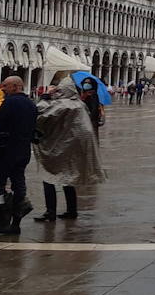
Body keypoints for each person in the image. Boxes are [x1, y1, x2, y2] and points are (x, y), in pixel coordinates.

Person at [33, 79, 106, 222]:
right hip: (73, 147)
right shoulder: (79, 104)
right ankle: (71, 210)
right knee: (69, 178)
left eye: (60, 90)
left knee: (48, 177)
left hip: (60, 147)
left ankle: (50, 212)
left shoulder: (64, 105)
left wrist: (45, 96)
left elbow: (41, 113)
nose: (58, 92)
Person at [0, 76, 37, 237]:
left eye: (5, 86)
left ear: (15, 86)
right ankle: (16, 222)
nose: (2, 89)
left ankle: (1, 221)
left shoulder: (9, 103)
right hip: (23, 151)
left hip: (6, 151)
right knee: (18, 184)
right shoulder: (31, 104)